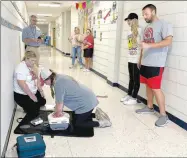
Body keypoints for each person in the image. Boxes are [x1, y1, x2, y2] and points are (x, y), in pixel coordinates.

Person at [136, 4, 173, 127]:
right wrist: (140, 59)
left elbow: (168, 41)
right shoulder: (146, 27)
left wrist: (149, 46)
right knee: (147, 85)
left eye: (146, 14)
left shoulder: (164, 24)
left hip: (156, 63)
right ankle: (150, 106)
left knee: (156, 88)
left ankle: (163, 115)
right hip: (145, 62)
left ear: (153, 12)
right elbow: (143, 45)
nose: (144, 16)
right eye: (143, 14)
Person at [40, 68, 112, 128]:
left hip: (87, 103)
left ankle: (102, 123)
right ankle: (96, 114)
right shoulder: (58, 77)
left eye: (45, 82)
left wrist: (56, 114)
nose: (45, 84)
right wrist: (57, 109)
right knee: (74, 116)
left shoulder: (57, 84)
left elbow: (59, 104)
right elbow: (59, 99)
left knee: (78, 124)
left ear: (48, 79)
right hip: (89, 98)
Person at [14, 51, 46, 122]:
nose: (34, 62)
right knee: (34, 112)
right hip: (22, 95)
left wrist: (41, 90)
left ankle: (31, 105)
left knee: (43, 101)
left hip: (32, 91)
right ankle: (27, 107)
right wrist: (32, 96)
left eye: (35, 60)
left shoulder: (32, 66)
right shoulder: (21, 68)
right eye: (32, 60)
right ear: (26, 59)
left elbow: (37, 79)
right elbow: (22, 85)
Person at [120, 13, 141, 105]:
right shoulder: (128, 32)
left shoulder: (140, 30)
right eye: (127, 20)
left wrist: (140, 59)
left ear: (134, 20)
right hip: (130, 57)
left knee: (136, 79)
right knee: (131, 78)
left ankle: (134, 97)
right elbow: (130, 45)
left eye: (129, 20)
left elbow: (142, 46)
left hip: (137, 58)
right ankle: (129, 94)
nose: (128, 22)